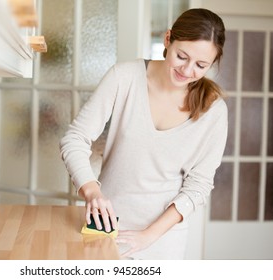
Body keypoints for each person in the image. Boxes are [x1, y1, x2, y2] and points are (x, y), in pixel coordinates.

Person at [60, 8, 228, 259]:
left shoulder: (214, 110)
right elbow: (75, 138)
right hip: (107, 229)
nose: (188, 70)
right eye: (182, 56)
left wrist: (149, 235)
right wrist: (92, 191)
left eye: (201, 65)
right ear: (168, 39)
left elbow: (199, 185)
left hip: (164, 241)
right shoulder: (124, 77)